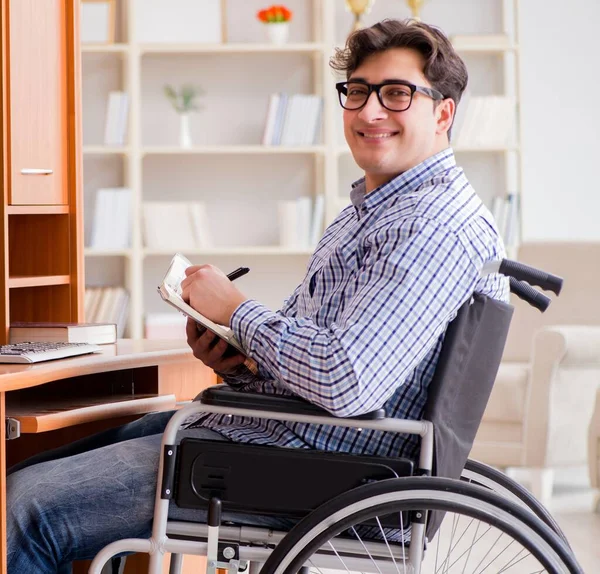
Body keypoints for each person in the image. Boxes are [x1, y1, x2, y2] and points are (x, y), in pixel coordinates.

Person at [6, 18, 508, 573]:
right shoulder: (371, 214)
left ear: (442, 113)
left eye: (396, 94)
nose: (370, 112)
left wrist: (237, 311)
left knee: (24, 509)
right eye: (359, 92)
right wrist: (238, 360)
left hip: (315, 466)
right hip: (281, 441)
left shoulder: (432, 226)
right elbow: (327, 357)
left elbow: (347, 379)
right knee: (32, 468)